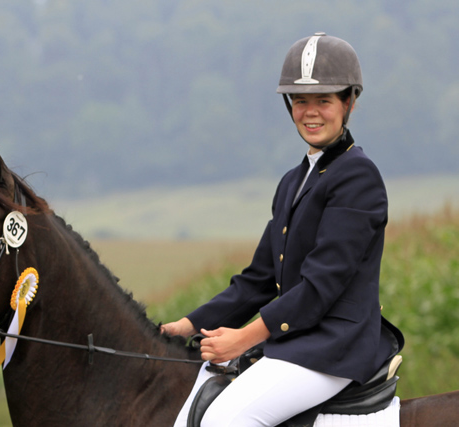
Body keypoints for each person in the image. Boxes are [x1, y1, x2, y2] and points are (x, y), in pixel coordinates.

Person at [161, 32, 404, 427]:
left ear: (349, 103)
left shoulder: (358, 176)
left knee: (224, 420)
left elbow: (320, 286)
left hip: (333, 348)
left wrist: (244, 337)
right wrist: (186, 325)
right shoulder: (293, 181)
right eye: (301, 101)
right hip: (294, 342)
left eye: (324, 101)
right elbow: (258, 280)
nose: (311, 112)